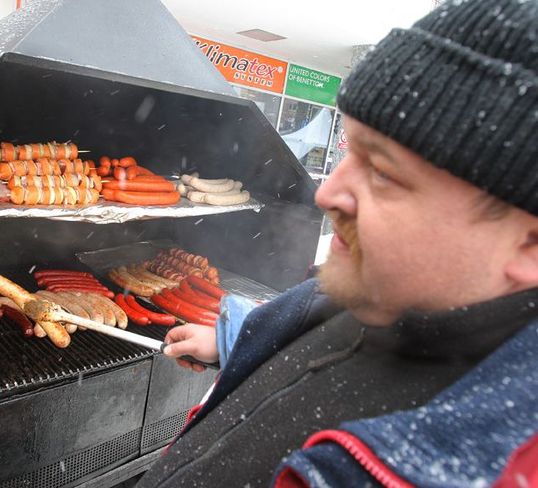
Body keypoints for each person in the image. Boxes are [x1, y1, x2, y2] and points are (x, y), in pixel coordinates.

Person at [137, 0, 538, 486]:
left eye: (384, 172)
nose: (326, 194)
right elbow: (314, 310)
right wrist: (232, 341)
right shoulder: (382, 287)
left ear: (527, 246)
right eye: (350, 150)